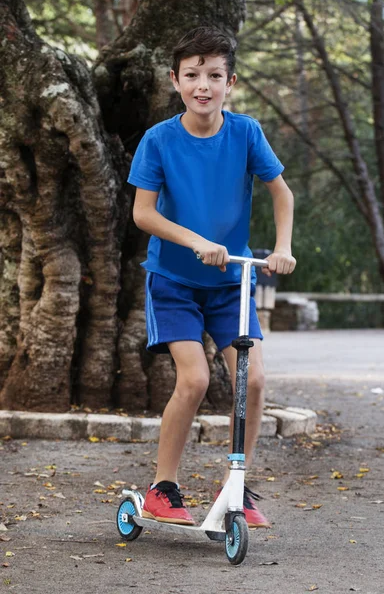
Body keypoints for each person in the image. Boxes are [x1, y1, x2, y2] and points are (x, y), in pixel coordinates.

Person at [128, 26, 296, 527]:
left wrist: (282, 248)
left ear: (231, 82)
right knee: (196, 379)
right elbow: (144, 214)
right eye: (193, 75)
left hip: (232, 283)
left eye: (215, 75)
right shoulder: (159, 140)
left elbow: (281, 194)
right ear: (175, 81)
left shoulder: (245, 132)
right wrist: (195, 241)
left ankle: (235, 489)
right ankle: (163, 488)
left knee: (256, 380)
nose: (204, 85)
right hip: (174, 281)